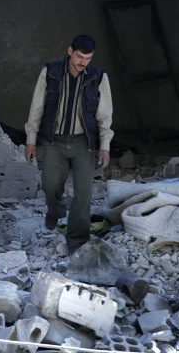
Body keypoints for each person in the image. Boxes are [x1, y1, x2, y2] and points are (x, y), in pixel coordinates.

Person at [24, 34, 114, 254]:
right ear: (70, 51)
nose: (83, 63)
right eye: (80, 57)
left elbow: (105, 114)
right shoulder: (51, 72)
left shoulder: (98, 77)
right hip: (54, 140)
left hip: (84, 142)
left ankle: (77, 242)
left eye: (88, 58)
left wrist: (105, 145)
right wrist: (31, 140)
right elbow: (37, 107)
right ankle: (55, 212)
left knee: (83, 195)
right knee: (50, 185)